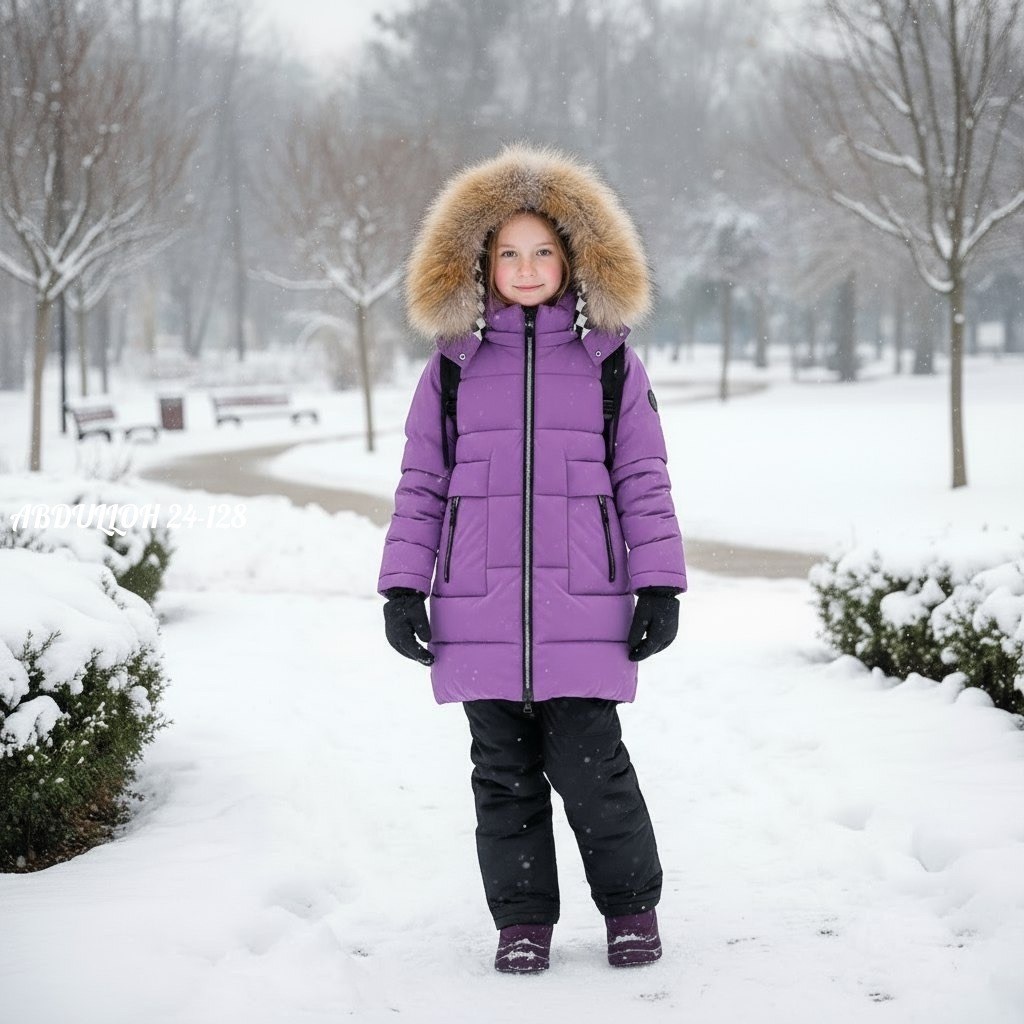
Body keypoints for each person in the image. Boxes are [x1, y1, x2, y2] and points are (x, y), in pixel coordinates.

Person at [377, 145, 687, 974]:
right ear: (478, 263)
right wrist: (404, 586)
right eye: (507, 252)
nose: (524, 267)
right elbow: (420, 482)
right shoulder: (451, 370)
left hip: (584, 605)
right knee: (503, 782)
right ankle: (522, 923)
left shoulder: (608, 363)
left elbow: (642, 477)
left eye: (542, 251)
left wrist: (658, 581)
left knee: (595, 776)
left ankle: (630, 910)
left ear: (574, 258)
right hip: (476, 609)